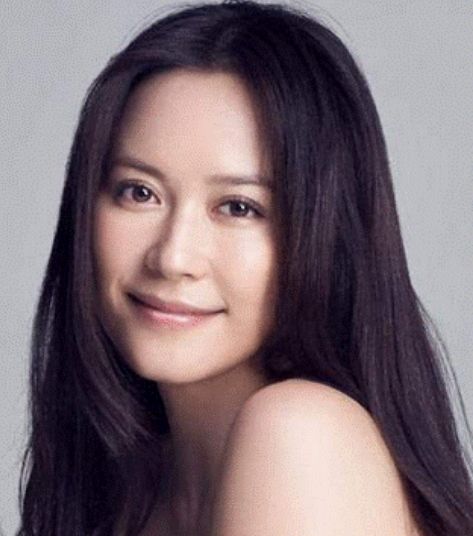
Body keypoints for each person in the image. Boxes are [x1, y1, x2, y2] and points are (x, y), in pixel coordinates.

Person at [17, 1, 473, 535]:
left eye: (238, 207)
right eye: (139, 192)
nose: (172, 257)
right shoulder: (121, 491)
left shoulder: (301, 437)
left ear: (326, 235)